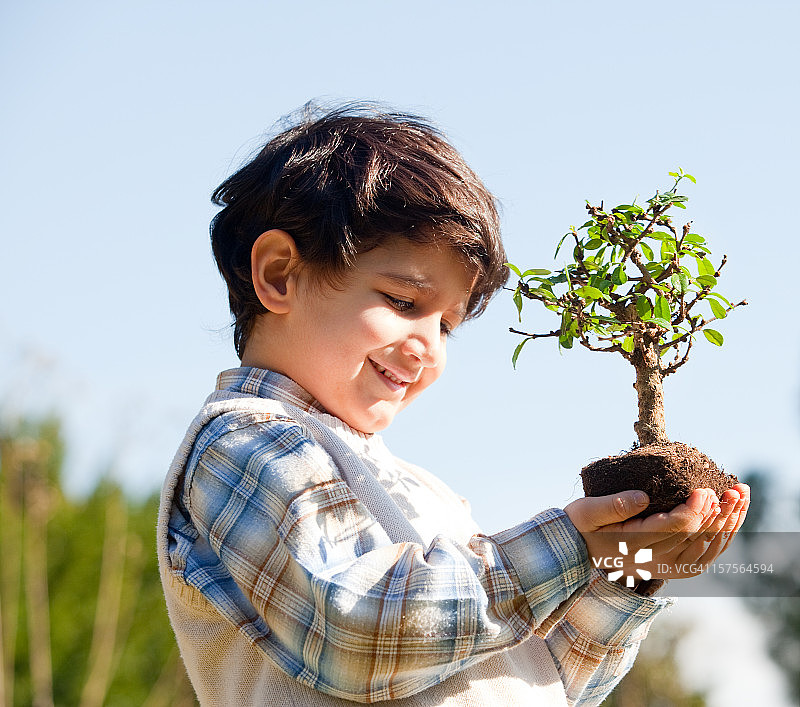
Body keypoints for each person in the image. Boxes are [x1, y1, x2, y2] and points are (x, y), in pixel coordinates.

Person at [156, 102, 749, 706]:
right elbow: (358, 631)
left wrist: (626, 571)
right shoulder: (244, 446)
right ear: (281, 275)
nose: (426, 348)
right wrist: (572, 543)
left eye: (447, 326)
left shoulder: (425, 498)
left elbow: (550, 678)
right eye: (404, 302)